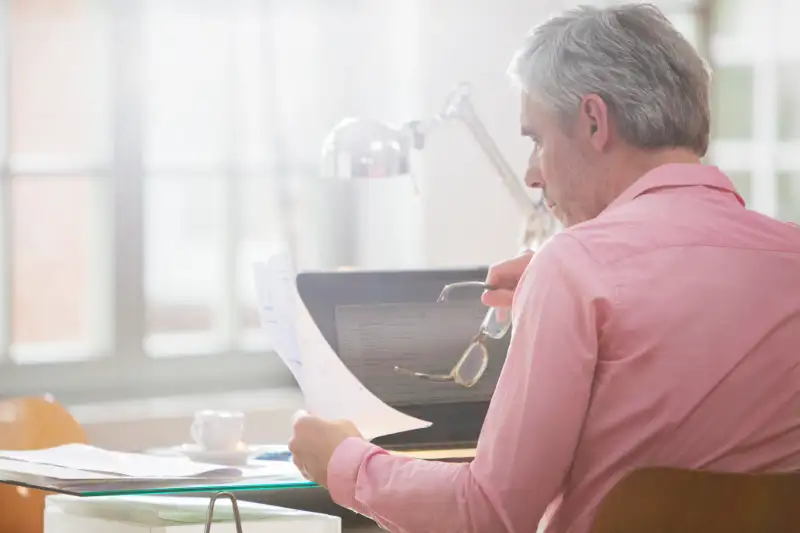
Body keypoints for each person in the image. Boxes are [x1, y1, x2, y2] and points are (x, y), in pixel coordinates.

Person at [288, 3, 800, 532]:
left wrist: (342, 463)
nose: (533, 175)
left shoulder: (577, 267)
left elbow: (488, 514)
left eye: (536, 138)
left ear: (595, 121)